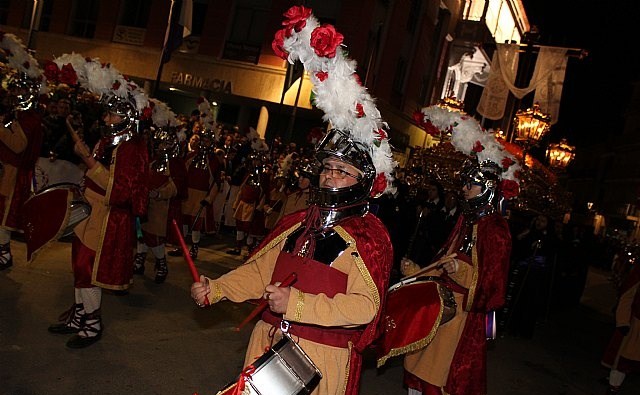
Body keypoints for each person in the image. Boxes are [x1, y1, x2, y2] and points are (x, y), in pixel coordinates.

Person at [191, 129, 393, 395]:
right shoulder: (298, 223)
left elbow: (365, 308)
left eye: (341, 170)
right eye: (327, 168)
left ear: (363, 180)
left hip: (320, 360)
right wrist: (217, 288)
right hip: (268, 346)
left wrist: (297, 304)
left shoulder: (368, 237)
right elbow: (260, 273)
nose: (329, 175)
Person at [47, 58, 149, 348]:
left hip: (106, 219)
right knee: (79, 267)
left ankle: (92, 324)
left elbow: (121, 192)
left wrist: (88, 161)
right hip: (90, 214)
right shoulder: (108, 142)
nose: (106, 120)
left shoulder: (132, 149)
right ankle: (79, 315)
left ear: (127, 118)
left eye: (113, 116)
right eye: (107, 115)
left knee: (88, 270)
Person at [400, 159, 513, 395]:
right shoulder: (466, 220)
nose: (464, 189)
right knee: (417, 371)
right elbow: (443, 262)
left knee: (437, 379)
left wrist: (459, 270)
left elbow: (491, 285)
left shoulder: (496, 229)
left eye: (471, 184)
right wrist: (417, 271)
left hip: (460, 316)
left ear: (488, 188)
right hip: (439, 306)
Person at [0, 63, 44, 270]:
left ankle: (4, 253)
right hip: (7, 170)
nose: (15, 93)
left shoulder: (30, 119)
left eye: (20, 90)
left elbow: (18, 145)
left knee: (3, 215)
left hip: (14, 173)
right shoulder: (19, 115)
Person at [133, 126, 182, 283]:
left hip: (162, 209)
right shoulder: (152, 161)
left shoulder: (175, 164)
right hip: (145, 205)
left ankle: (162, 265)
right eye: (159, 143)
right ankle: (140, 260)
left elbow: (177, 187)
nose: (161, 147)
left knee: (154, 238)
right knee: (142, 235)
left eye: (164, 144)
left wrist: (159, 193)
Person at [601, 255, 640, 394]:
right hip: (635, 325)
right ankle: (613, 387)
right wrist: (623, 321)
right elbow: (628, 296)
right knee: (623, 359)